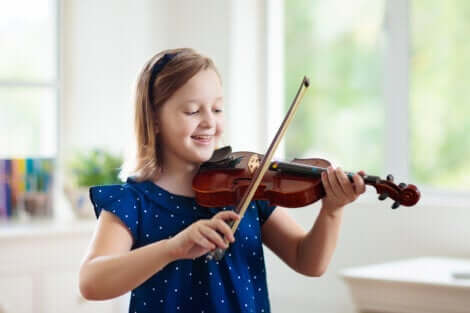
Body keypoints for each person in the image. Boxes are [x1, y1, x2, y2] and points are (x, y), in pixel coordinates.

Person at [78, 48, 366, 313]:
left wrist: (332, 210)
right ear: (153, 118)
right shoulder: (134, 200)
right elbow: (91, 281)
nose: (209, 122)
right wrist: (172, 248)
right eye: (192, 111)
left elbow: (309, 261)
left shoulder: (246, 188)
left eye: (217, 109)